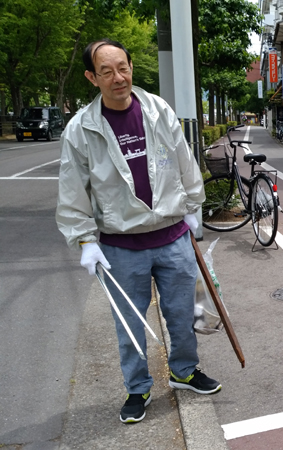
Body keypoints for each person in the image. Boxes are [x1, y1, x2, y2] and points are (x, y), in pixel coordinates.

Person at [55, 39, 221, 424]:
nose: (118, 78)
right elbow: (72, 189)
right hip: (119, 246)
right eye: (107, 71)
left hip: (172, 235)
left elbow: (183, 159)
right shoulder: (81, 129)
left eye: (123, 67)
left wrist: (193, 207)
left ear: (131, 67)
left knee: (183, 312)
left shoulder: (157, 110)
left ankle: (184, 370)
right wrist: (85, 240)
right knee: (129, 323)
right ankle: (137, 387)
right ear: (91, 77)